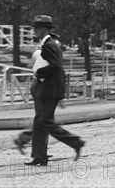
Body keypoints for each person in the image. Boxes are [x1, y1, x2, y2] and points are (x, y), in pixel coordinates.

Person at [23, 15, 85, 166]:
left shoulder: (49, 45)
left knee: (44, 121)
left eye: (38, 28)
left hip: (50, 90)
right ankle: (39, 156)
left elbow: (56, 67)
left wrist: (38, 72)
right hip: (48, 89)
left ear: (45, 29)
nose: (36, 31)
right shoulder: (49, 43)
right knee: (39, 122)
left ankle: (75, 142)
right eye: (35, 28)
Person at [14, 32, 63, 155]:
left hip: (42, 86)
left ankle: (40, 151)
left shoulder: (41, 53)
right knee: (44, 120)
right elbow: (50, 71)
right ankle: (24, 140)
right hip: (43, 86)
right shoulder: (44, 53)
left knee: (44, 119)